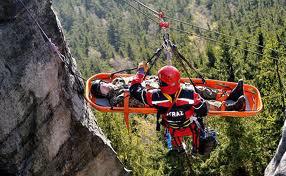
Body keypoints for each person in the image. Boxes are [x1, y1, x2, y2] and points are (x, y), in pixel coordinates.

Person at [129, 62, 246, 155]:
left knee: (178, 141)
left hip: (173, 128)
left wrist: (140, 71)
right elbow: (203, 110)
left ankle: (181, 148)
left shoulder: (154, 97)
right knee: (205, 103)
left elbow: (134, 89)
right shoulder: (189, 94)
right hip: (191, 125)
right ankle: (230, 104)